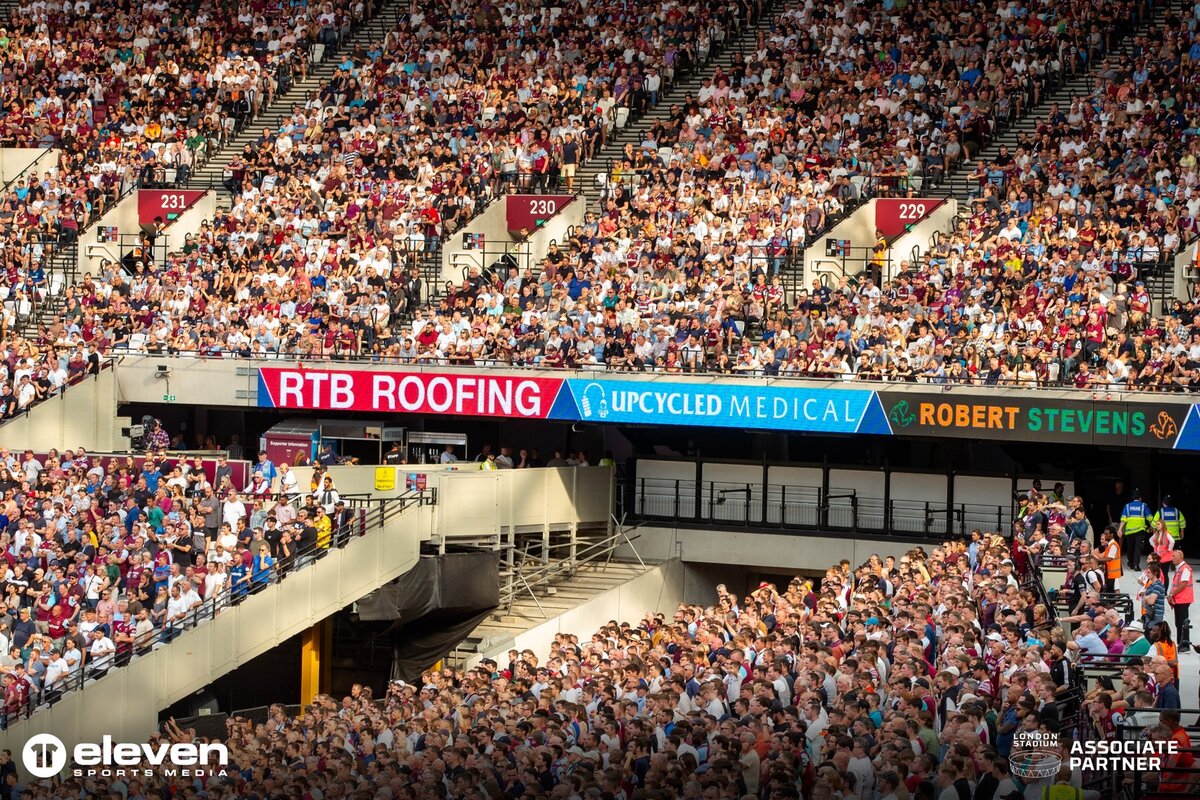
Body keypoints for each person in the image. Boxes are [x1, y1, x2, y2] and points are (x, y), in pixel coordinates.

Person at [1117, 489, 1151, 571]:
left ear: (1133, 498)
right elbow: (1150, 518)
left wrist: (1120, 529)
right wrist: (1151, 527)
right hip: (1140, 531)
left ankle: (1131, 563)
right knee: (1138, 548)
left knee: (1130, 548)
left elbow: (1123, 519)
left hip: (1129, 531)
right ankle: (1136, 565)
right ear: (1140, 498)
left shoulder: (1127, 506)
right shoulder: (1143, 506)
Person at [1166, 549, 1193, 648]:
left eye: (1174, 556)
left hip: (1183, 599)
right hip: (1179, 599)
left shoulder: (1185, 568)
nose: (1171, 558)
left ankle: (1184, 644)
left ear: (1180, 557)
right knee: (1179, 623)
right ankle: (1180, 643)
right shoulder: (1179, 568)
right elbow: (1175, 584)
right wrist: (1170, 595)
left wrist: (1171, 595)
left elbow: (1182, 585)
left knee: (1183, 623)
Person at [1098, 528, 1122, 593]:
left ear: (1112, 535)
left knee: (1111, 592)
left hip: (1112, 574)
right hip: (1109, 573)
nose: (1105, 535)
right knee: (1110, 591)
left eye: (1106, 534)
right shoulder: (1109, 545)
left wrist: (1098, 561)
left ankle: (1114, 603)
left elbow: (1109, 558)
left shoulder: (1113, 545)